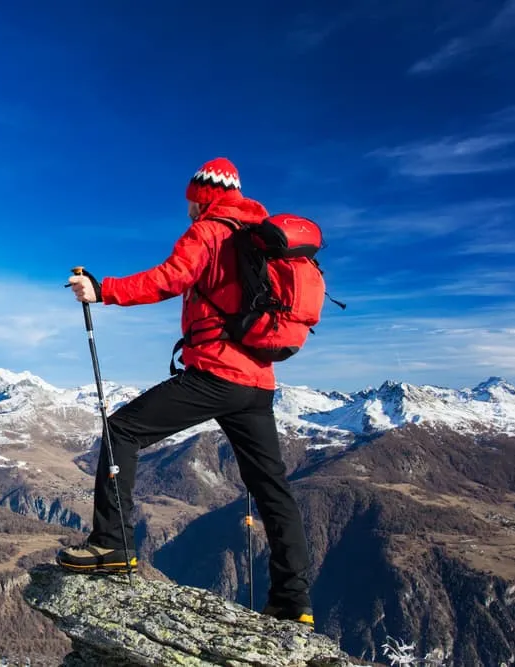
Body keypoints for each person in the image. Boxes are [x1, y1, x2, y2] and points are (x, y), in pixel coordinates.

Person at [56, 157, 315, 627]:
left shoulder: (211, 231)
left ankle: (112, 545)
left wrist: (103, 290)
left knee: (122, 430)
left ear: (201, 198)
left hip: (216, 373)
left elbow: (170, 278)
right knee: (271, 487)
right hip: (258, 382)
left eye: (191, 202)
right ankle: (293, 602)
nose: (188, 211)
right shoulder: (259, 235)